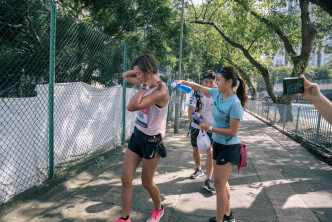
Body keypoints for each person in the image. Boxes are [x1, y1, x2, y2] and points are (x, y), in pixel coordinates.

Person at [175, 67, 248, 222]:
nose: (215, 83)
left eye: (218, 79)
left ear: (229, 82)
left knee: (219, 185)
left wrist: (211, 128)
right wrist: (182, 81)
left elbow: (233, 132)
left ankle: (219, 219)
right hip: (218, 143)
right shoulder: (217, 94)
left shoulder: (234, 104)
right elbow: (199, 87)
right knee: (222, 183)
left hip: (229, 147)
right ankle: (228, 215)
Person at [116, 54, 169, 222]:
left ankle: (159, 209)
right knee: (125, 178)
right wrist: (144, 79)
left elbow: (131, 106)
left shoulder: (160, 90)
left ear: (148, 71)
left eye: (139, 73)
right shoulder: (145, 82)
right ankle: (125, 218)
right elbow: (125, 75)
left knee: (146, 182)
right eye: (137, 73)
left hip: (152, 141)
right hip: (138, 135)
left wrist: (145, 85)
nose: (136, 76)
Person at [188, 71, 216, 192]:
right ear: (202, 82)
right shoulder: (196, 94)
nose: (208, 85)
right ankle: (199, 169)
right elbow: (191, 114)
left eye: (211, 82)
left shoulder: (218, 95)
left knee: (210, 151)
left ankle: (208, 180)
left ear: (215, 83)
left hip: (212, 128)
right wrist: (202, 123)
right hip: (196, 127)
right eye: (206, 82)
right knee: (196, 150)